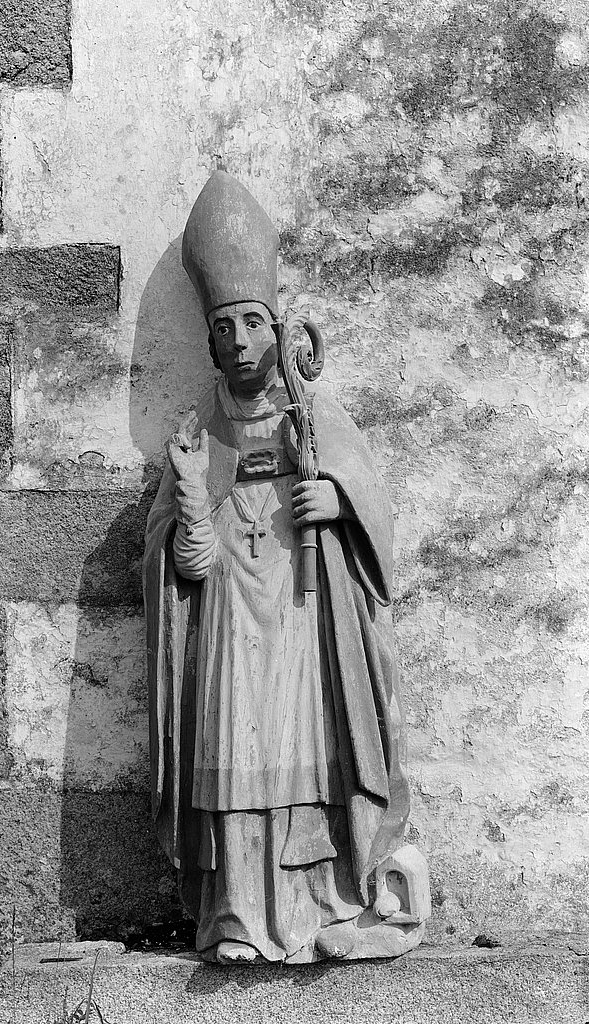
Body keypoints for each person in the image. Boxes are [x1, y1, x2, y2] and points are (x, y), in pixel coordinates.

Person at [143, 171, 410, 964]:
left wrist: (334, 500)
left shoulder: (314, 415)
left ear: (276, 325)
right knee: (234, 741)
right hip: (230, 606)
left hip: (302, 612)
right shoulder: (200, 434)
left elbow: (370, 501)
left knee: (308, 744)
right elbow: (178, 560)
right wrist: (191, 501)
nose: (234, 342)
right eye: (221, 328)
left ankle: (322, 900)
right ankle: (235, 917)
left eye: (249, 324)